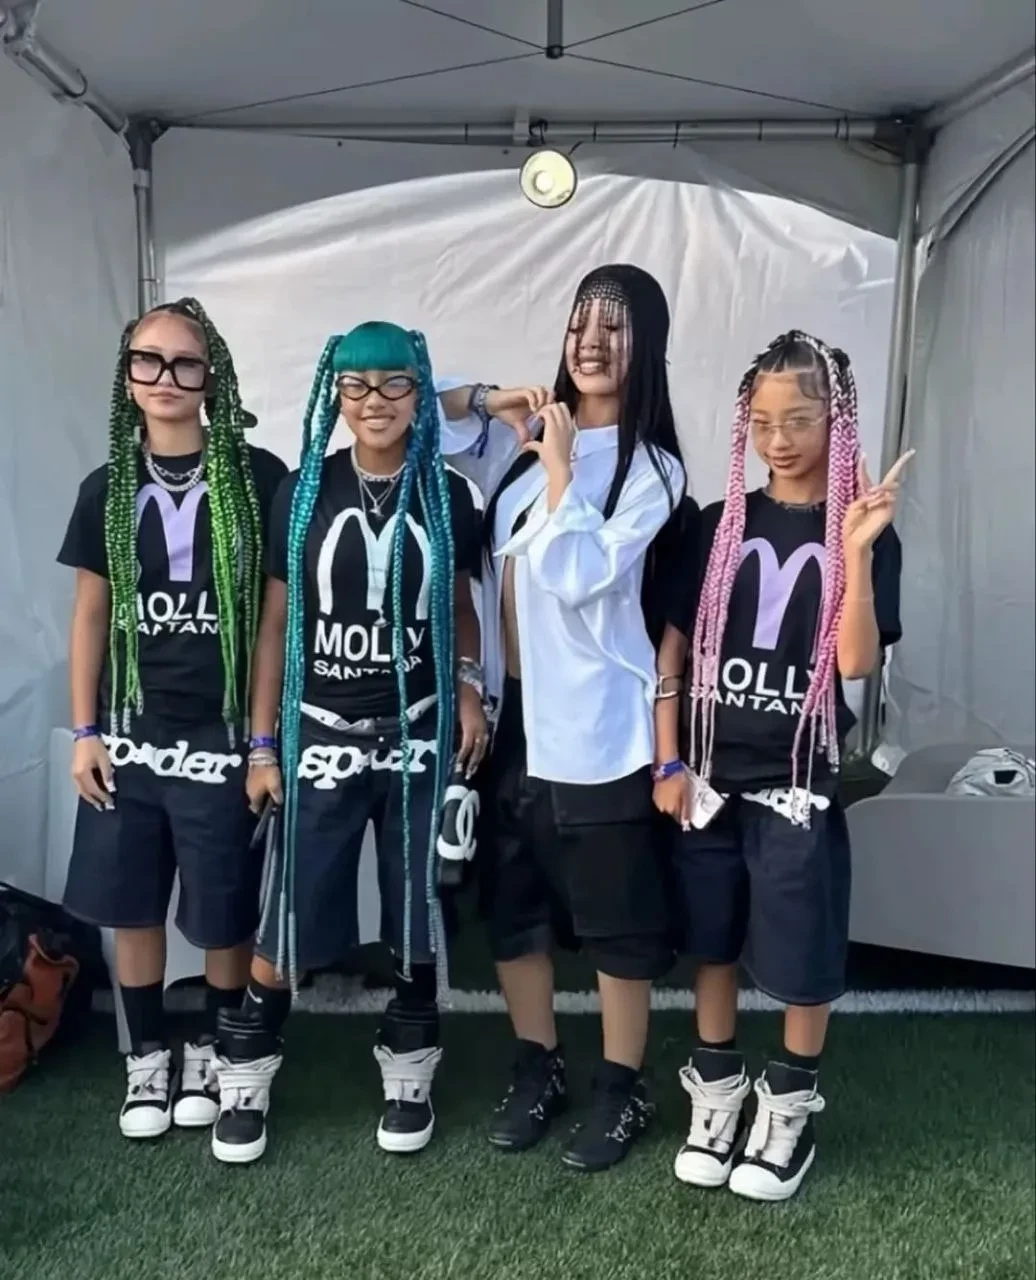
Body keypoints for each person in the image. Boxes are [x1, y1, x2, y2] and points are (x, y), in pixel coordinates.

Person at [211, 322, 486, 1164]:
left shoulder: (451, 493)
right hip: (321, 730)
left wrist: (469, 686)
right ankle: (247, 1069)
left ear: (419, 392)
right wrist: (264, 744)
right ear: (334, 395)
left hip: (418, 726)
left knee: (414, 904)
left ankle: (410, 1059)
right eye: (357, 386)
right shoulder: (302, 490)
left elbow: (462, 605)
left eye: (395, 384)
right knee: (290, 905)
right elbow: (275, 624)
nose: (375, 401)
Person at [437, 263, 686, 1173]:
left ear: (646, 345)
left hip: (599, 735)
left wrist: (559, 471)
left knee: (617, 924)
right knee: (514, 911)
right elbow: (411, 413)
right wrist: (494, 403)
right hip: (512, 726)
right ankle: (535, 1065)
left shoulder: (653, 469)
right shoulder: (525, 438)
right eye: (582, 322)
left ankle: (621, 1085)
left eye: (615, 326)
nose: (592, 342)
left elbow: (578, 575)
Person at [654, 330, 906, 1201]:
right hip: (711, 778)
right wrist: (667, 758)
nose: (779, 439)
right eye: (762, 422)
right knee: (713, 942)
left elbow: (856, 663)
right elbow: (673, 649)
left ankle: (790, 1105)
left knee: (801, 951)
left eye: (799, 419)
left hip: (798, 785)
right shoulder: (717, 523)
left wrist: (859, 552)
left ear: (837, 420)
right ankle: (717, 1091)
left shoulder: (860, 528)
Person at [57, 298, 287, 1139]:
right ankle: (147, 1058)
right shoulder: (106, 488)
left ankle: (220, 1052)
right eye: (147, 361)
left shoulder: (261, 478)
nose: (165, 377)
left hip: (221, 737)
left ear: (211, 378)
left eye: (185, 362)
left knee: (224, 908)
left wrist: (261, 742)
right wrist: (85, 732)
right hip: (129, 733)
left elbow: (274, 624)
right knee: (134, 906)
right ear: (127, 378)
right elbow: (90, 615)